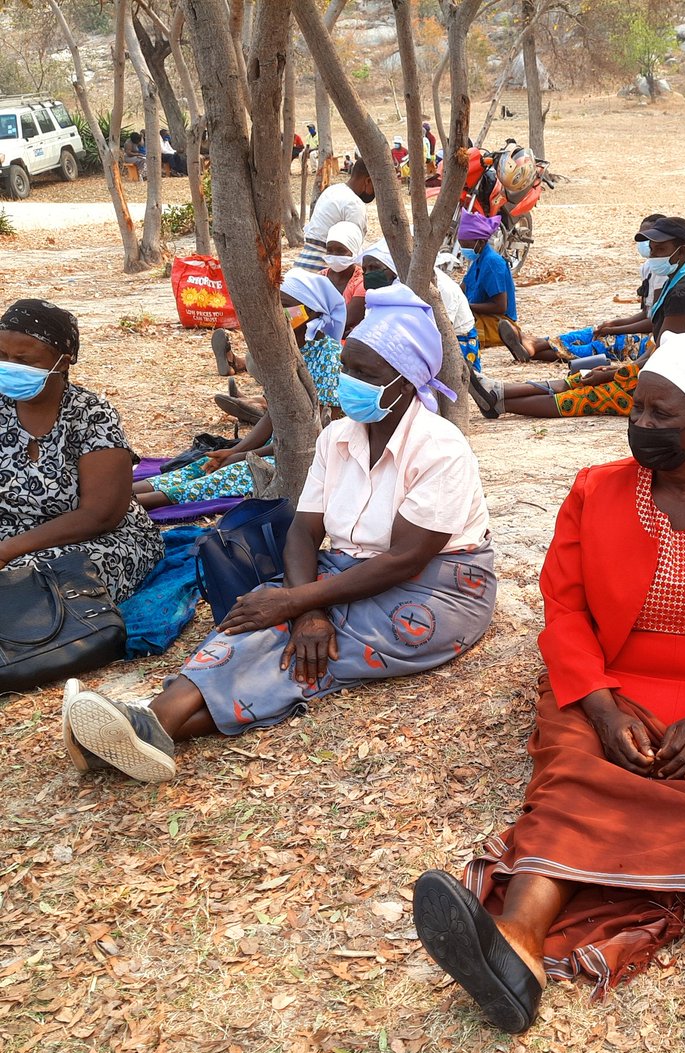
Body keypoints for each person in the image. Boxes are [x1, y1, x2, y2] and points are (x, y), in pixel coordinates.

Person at [413, 330, 685, 1046]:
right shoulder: (595, 490)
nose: (641, 425)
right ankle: (514, 945)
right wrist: (598, 703)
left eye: (661, 414)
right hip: (604, 684)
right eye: (637, 410)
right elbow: (566, 607)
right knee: (576, 779)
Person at [62, 283, 495, 781]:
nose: (347, 380)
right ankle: (149, 729)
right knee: (261, 615)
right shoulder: (336, 438)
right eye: (348, 367)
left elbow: (405, 561)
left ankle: (153, 719)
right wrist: (305, 606)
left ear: (407, 383)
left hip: (439, 587)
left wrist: (296, 604)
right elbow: (302, 535)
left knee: (309, 649)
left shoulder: (441, 448)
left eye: (366, 374)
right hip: (350, 570)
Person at [468, 216, 685, 421]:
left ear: (681, 251)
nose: (652, 256)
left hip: (682, 385)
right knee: (584, 379)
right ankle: (498, 393)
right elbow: (658, 345)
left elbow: (664, 354)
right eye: (652, 249)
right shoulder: (679, 281)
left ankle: (502, 402)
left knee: (588, 393)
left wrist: (613, 374)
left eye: (659, 249)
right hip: (666, 371)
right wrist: (615, 369)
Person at [0, 300, 163, 602]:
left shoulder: (90, 415)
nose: (10, 367)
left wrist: (8, 550)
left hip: (92, 539)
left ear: (62, 362)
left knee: (32, 583)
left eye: (25, 360)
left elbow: (99, 515)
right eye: (2, 356)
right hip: (10, 532)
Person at [140, 272, 344, 509]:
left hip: (306, 454)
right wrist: (235, 450)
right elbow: (274, 415)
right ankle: (126, 492)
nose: (279, 312)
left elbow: (315, 433)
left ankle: (133, 505)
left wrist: (245, 455)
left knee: (226, 475)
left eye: (286, 306)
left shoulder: (327, 355)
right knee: (202, 464)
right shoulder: (286, 349)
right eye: (276, 305)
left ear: (314, 312)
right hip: (275, 444)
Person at [494, 214, 666, 365]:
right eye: (641, 238)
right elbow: (646, 314)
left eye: (649, 239)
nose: (644, 243)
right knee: (590, 333)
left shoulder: (663, 272)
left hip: (654, 340)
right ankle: (533, 346)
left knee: (601, 345)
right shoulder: (650, 267)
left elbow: (655, 322)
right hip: (645, 331)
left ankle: (534, 347)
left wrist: (614, 329)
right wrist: (613, 323)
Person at [348, 239, 480, 369]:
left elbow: (441, 332)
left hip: (455, 342)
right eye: (365, 270)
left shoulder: (440, 288)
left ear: (393, 267)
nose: (369, 274)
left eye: (375, 268)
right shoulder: (388, 290)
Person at [295, 159, 374, 272]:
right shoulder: (354, 204)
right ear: (368, 181)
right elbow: (352, 249)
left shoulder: (332, 190)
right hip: (323, 268)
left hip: (303, 263)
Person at [458, 211, 517, 348]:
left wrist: (467, 306)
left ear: (481, 242)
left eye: (466, 245)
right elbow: (463, 288)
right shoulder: (478, 260)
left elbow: (500, 306)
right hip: (480, 314)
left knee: (462, 331)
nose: (463, 249)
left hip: (501, 323)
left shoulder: (492, 263)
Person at [322, 220, 366, 311]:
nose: (334, 255)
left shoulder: (362, 281)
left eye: (341, 251)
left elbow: (349, 319)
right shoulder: (320, 278)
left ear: (354, 251)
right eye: (329, 250)